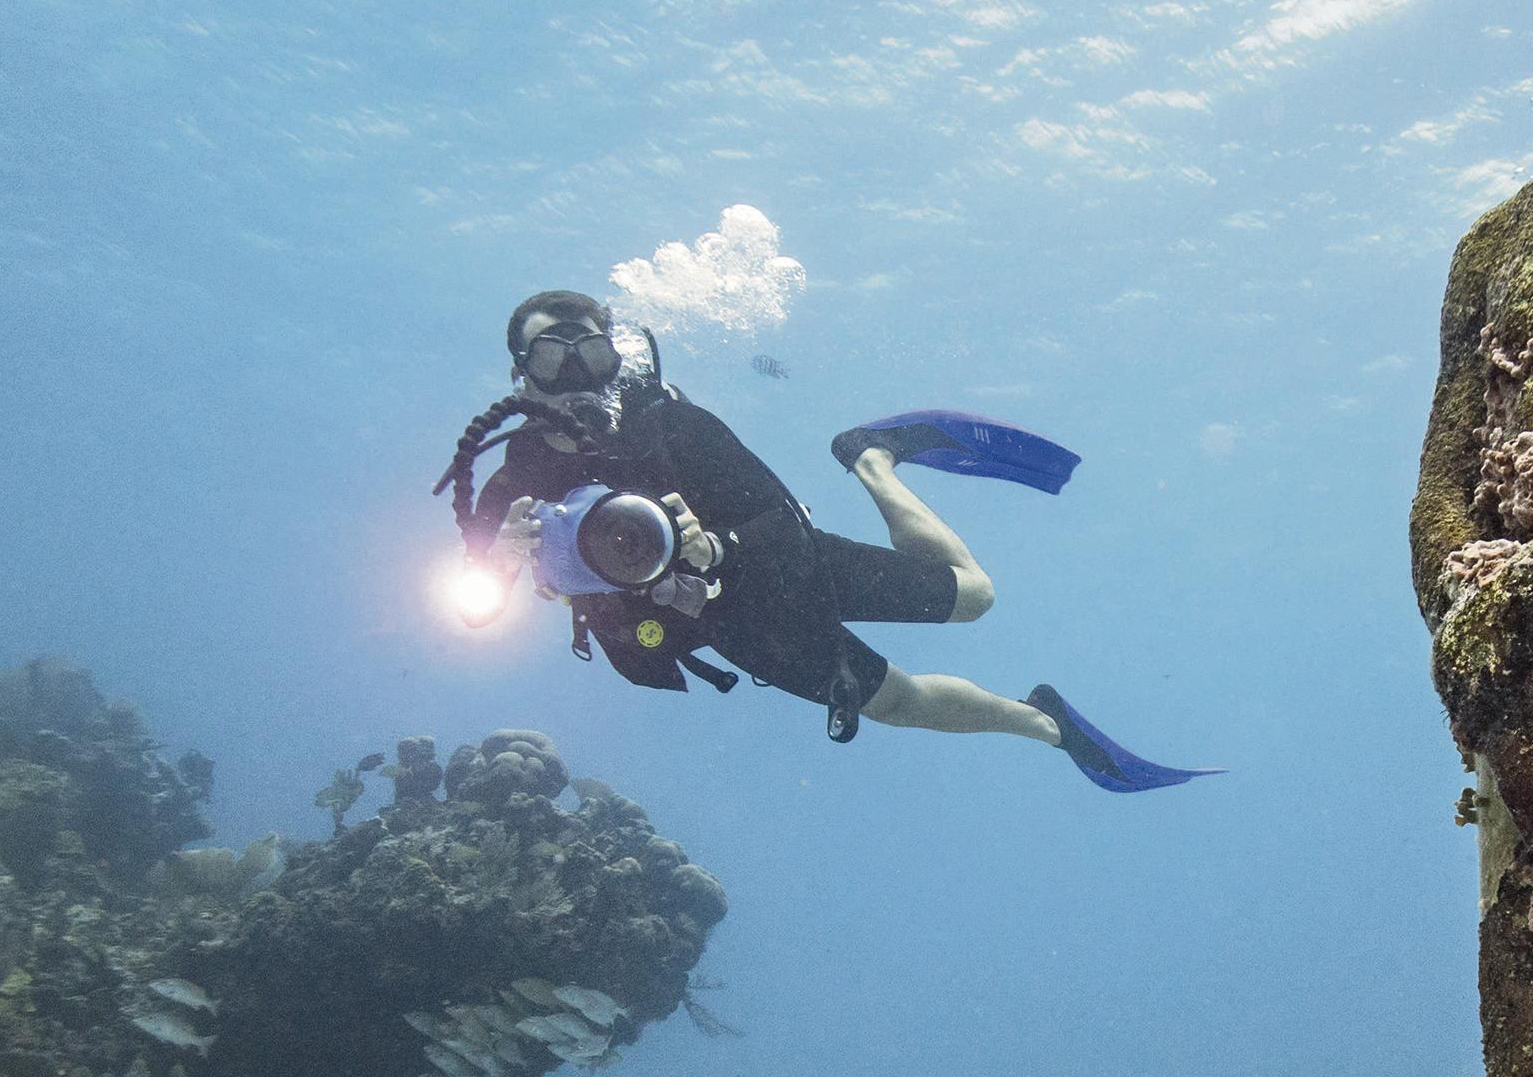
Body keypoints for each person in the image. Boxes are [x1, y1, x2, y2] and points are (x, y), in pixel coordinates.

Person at [433, 290, 1215, 792]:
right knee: (897, 703)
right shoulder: (508, 484)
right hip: (712, 624)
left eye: (590, 347)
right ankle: (1050, 728)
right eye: (550, 350)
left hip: (776, 569)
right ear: (519, 372)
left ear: (617, 354)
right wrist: (496, 569)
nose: (573, 366)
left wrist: (716, 550)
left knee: (973, 598)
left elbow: (777, 517)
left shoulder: (673, 426)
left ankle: (872, 460)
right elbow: (473, 614)